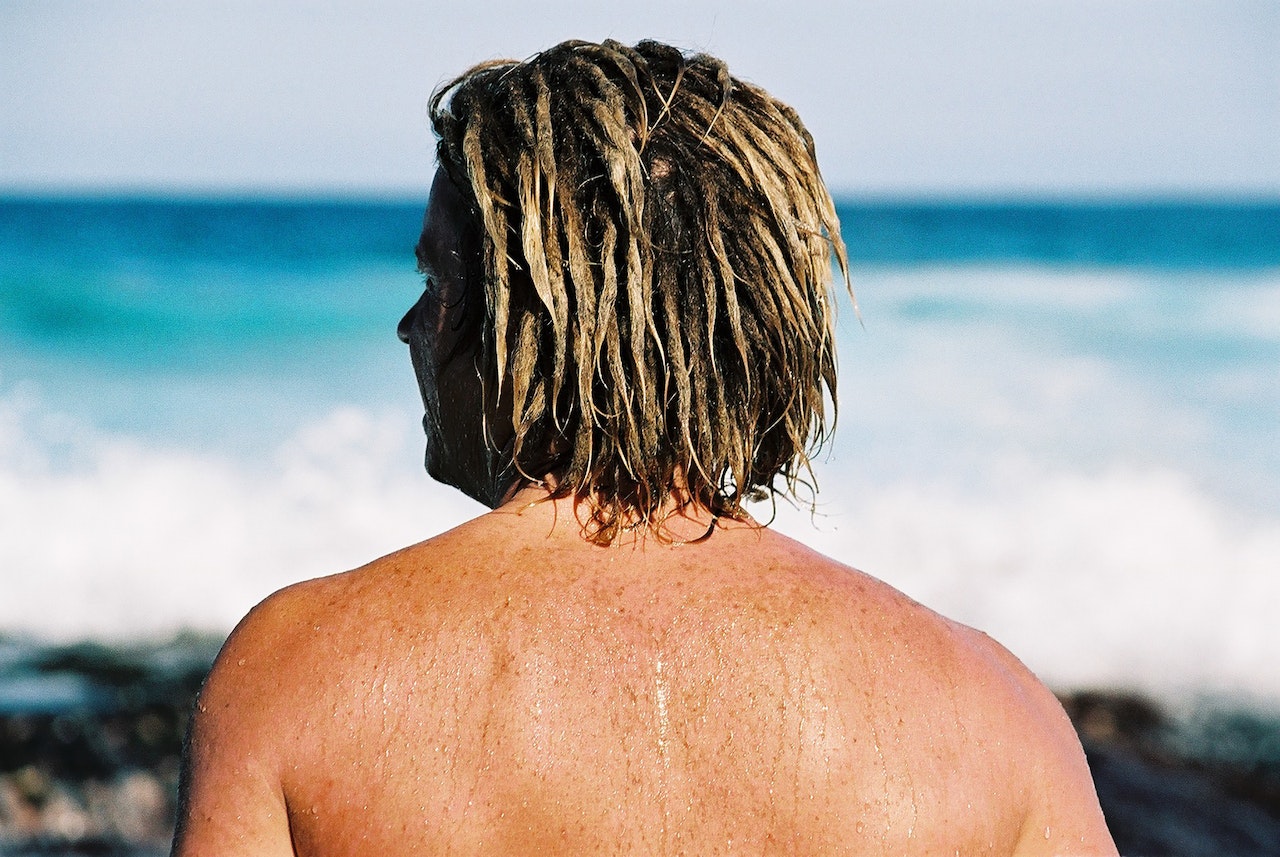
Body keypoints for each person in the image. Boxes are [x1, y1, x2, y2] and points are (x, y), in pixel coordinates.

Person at [172, 39, 1116, 856]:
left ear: (525, 310)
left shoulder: (300, 673)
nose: (410, 328)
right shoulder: (996, 716)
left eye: (437, 277)